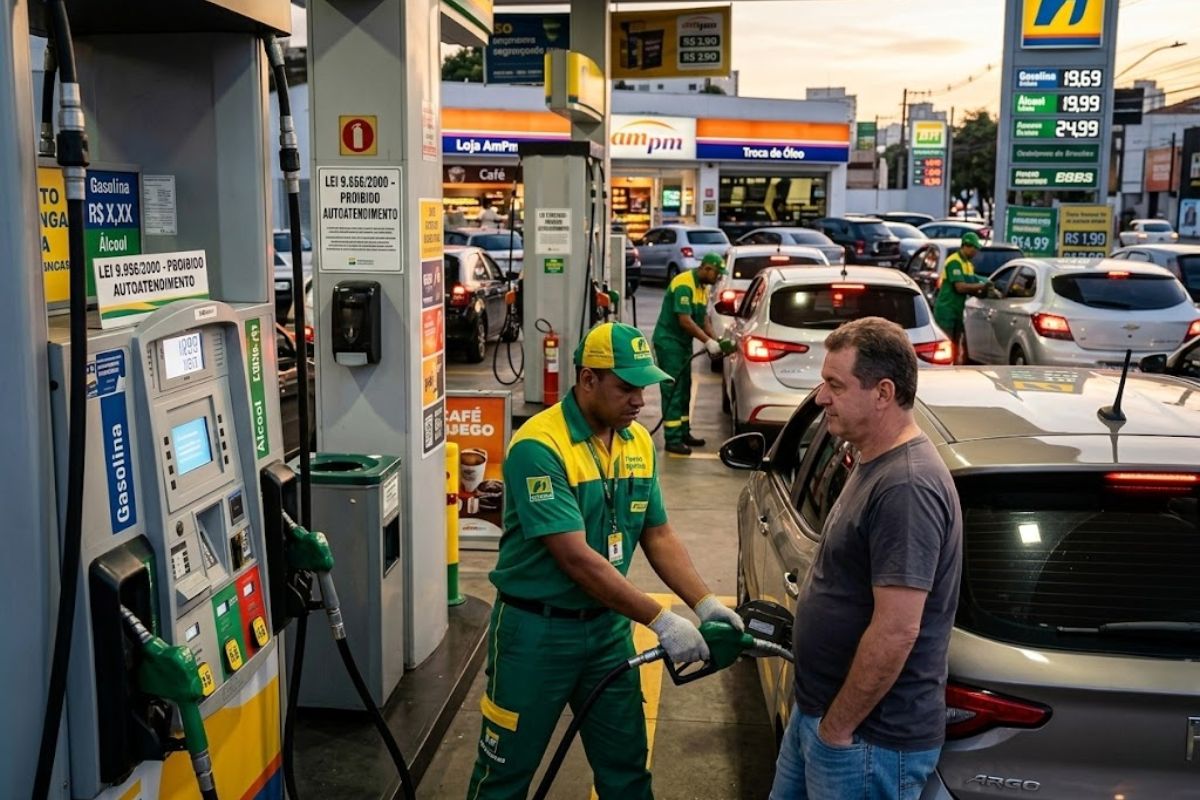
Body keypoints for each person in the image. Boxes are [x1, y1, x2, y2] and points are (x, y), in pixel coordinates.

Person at [466, 322, 744, 800]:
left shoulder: (635, 442)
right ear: (588, 379)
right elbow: (576, 559)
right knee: (504, 777)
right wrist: (660, 619)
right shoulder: (540, 446)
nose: (640, 400)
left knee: (626, 770)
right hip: (536, 635)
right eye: (627, 387)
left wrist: (703, 604)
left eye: (645, 387)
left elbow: (657, 534)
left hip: (609, 630)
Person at [769, 317, 963, 800]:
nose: (820, 397)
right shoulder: (872, 459)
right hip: (821, 717)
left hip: (864, 741)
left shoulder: (908, 487)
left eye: (835, 384)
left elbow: (898, 629)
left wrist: (837, 729)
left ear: (882, 393)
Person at [651, 251, 726, 456]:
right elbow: (685, 320)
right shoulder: (684, 284)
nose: (718, 278)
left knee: (685, 388)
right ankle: (672, 439)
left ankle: (684, 432)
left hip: (682, 344)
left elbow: (703, 320)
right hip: (669, 343)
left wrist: (715, 341)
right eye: (717, 273)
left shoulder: (702, 288)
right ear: (707, 268)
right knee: (673, 389)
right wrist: (706, 341)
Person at [931, 231, 988, 363]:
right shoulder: (954, 262)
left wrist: (986, 286)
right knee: (946, 345)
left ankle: (955, 370)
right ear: (966, 246)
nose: (976, 253)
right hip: (946, 310)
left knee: (956, 345)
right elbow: (960, 287)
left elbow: (973, 281)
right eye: (974, 248)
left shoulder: (968, 265)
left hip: (957, 311)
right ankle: (944, 372)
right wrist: (981, 287)